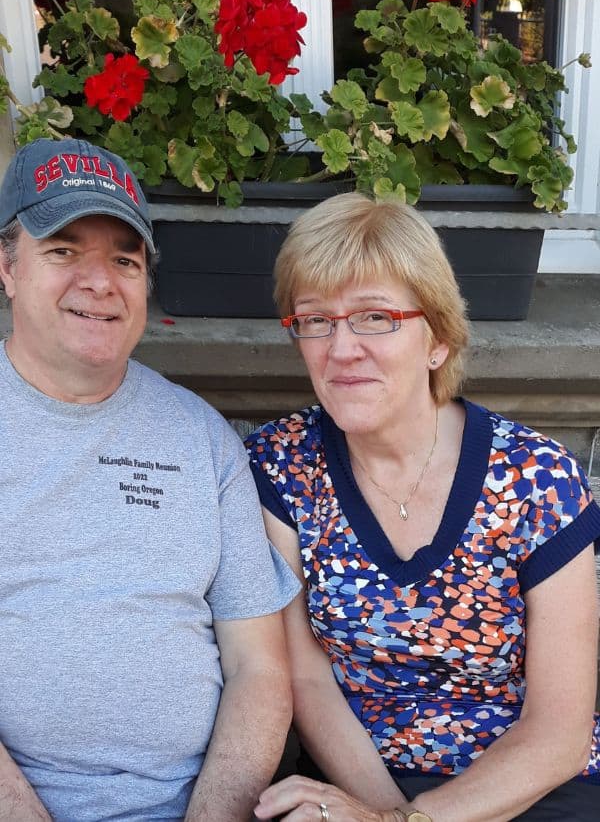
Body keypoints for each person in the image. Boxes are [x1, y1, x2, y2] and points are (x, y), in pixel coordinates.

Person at [245, 192, 600, 822]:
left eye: (375, 317)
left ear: (437, 339)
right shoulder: (281, 466)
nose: (341, 347)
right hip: (357, 783)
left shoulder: (536, 478)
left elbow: (560, 731)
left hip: (533, 785)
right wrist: (379, 813)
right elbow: (305, 682)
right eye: (315, 320)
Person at [0, 137, 300, 822]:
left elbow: (259, 668)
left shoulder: (202, 438)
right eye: (64, 251)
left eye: (125, 260)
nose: (100, 282)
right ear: (7, 266)